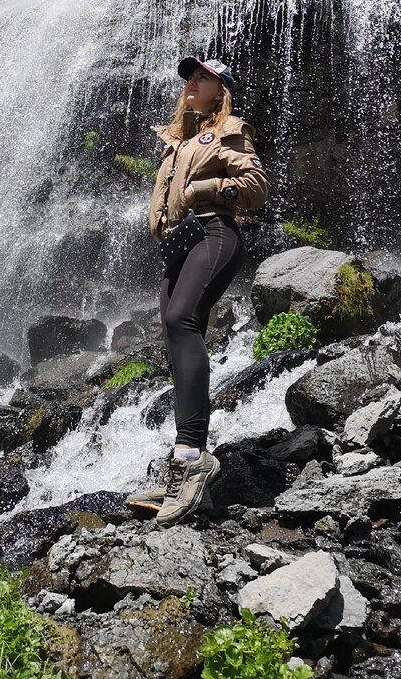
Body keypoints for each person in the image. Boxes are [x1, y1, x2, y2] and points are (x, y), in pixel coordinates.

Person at [127, 55, 271, 527]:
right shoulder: (176, 139)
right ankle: (189, 471)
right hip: (179, 243)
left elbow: (255, 184)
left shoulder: (229, 127)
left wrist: (205, 188)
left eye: (203, 77)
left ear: (220, 88)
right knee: (175, 338)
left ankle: (190, 458)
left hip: (213, 233)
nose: (192, 81)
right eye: (189, 75)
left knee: (180, 320)